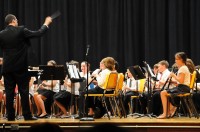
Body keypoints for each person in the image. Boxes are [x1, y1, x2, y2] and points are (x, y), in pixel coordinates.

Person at [0, 14, 52, 121]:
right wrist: (46, 23)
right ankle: (27, 116)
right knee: (24, 91)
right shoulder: (21, 30)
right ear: (13, 21)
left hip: (7, 68)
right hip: (20, 67)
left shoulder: (1, 34)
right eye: (16, 20)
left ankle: (10, 117)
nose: (17, 22)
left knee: (9, 92)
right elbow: (38, 33)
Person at [157, 52, 191, 119]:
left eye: (176, 59)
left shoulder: (183, 68)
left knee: (163, 93)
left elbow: (181, 80)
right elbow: (181, 81)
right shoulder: (183, 67)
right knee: (165, 92)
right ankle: (168, 111)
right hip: (183, 87)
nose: (175, 61)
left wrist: (173, 75)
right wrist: (173, 81)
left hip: (183, 88)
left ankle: (165, 113)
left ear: (181, 60)